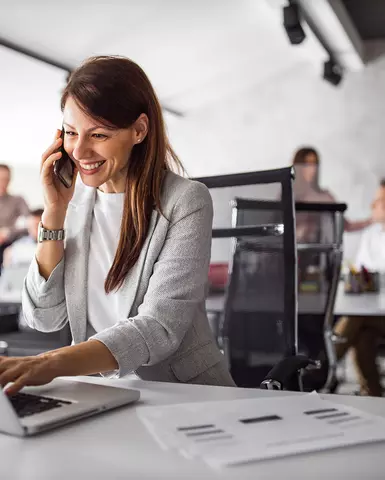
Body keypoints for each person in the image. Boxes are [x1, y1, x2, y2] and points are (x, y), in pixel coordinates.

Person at [0, 55, 235, 395]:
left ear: (139, 130)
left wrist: (49, 363)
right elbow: (43, 318)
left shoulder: (185, 201)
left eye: (98, 134)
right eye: (70, 132)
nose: (79, 150)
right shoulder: (76, 203)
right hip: (98, 395)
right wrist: (54, 211)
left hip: (181, 394)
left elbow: (159, 328)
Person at [334, 180, 385, 397]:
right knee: (362, 334)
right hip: (373, 312)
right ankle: (373, 394)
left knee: (355, 318)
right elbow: (362, 272)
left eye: (381, 201)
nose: (375, 205)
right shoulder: (372, 234)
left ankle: (320, 369)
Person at [292, 147, 372, 242]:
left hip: (322, 252)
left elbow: (345, 225)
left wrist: (371, 220)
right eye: (307, 164)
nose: (312, 169)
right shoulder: (288, 194)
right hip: (294, 251)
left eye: (315, 164)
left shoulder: (325, 196)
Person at [0, 164, 30, 270]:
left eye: (6, 179)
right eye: (1, 179)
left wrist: (8, 232)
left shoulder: (18, 200)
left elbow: (30, 224)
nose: (3, 183)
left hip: (9, 244)